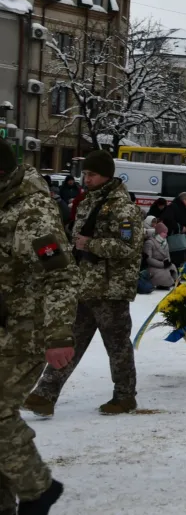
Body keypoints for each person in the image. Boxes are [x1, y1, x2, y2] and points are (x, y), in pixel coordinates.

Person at [24, 150, 143, 418]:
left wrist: (90, 244)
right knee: (70, 341)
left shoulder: (122, 207)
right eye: (85, 174)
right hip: (86, 285)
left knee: (117, 346)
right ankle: (45, 394)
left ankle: (125, 397)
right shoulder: (90, 202)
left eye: (91, 174)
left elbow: (128, 246)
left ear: (106, 175)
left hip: (110, 289)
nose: (85, 179)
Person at [0, 141, 78, 514]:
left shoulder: (32, 214)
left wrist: (59, 334)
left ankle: (38, 489)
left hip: (23, 331)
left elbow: (60, 275)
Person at [161, 191, 186, 267]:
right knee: (174, 258)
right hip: (173, 237)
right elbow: (168, 219)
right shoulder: (173, 207)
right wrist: (179, 227)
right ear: (181, 199)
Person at [144, 221, 177, 290]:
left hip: (164, 264)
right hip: (153, 267)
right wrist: (162, 264)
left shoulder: (165, 242)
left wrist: (168, 262)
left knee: (172, 267)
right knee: (163, 273)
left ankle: (174, 281)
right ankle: (162, 283)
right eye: (164, 232)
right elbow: (148, 259)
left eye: (166, 233)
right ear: (159, 232)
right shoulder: (149, 242)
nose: (166, 235)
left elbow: (168, 255)